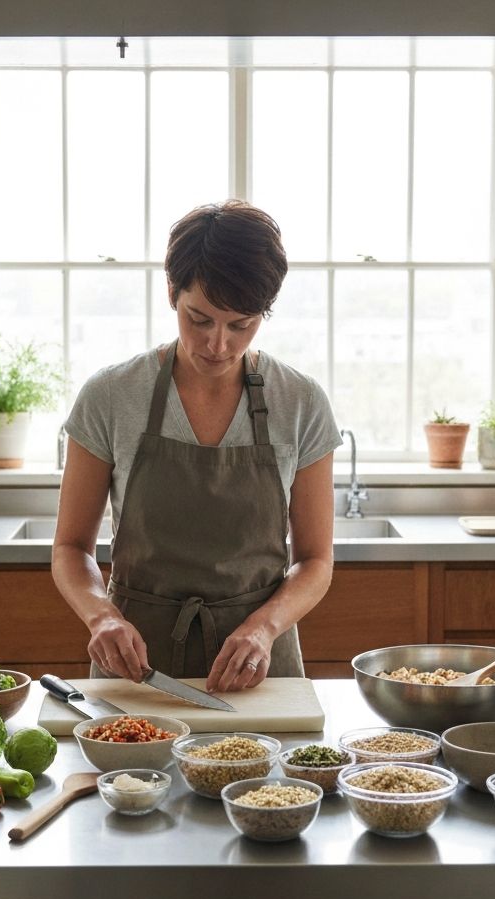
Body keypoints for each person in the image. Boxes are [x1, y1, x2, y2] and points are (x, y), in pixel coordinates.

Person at [51, 200, 341, 692]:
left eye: (241, 324)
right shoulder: (112, 395)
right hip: (135, 669)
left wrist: (264, 628)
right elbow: (70, 547)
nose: (219, 345)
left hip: (259, 668)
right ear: (171, 292)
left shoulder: (301, 401)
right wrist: (101, 617)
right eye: (200, 319)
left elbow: (315, 561)